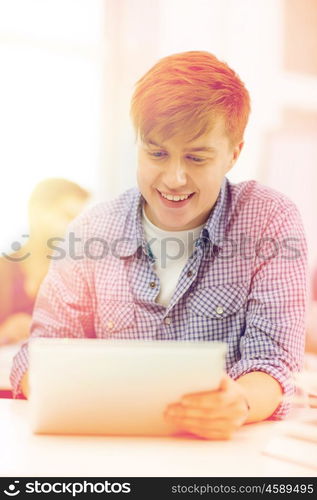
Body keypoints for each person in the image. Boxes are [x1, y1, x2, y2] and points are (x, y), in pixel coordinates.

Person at [11, 51, 307, 440]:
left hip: (224, 455)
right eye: (157, 154)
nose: (175, 178)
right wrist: (59, 391)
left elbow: (273, 362)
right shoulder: (90, 231)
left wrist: (240, 402)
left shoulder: (270, 221)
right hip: (107, 450)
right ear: (137, 144)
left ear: (234, 154)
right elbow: (39, 352)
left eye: (197, 158)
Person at [0, 178, 90, 346]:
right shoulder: (3, 268)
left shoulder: (79, 277)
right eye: (68, 216)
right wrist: (4, 333)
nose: (75, 227)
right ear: (37, 211)